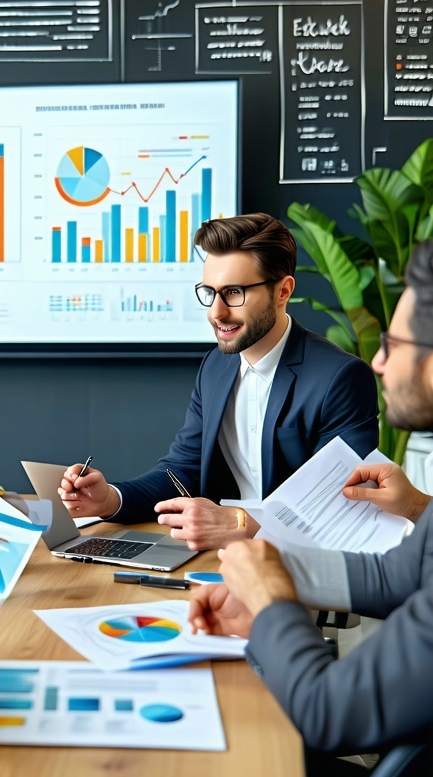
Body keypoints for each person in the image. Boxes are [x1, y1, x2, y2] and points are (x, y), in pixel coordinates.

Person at [188, 238, 433, 777]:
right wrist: (272, 576)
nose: (377, 360)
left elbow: (329, 713)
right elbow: (398, 573)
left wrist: (272, 603)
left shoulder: (333, 373)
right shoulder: (215, 369)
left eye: (394, 342)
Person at [58, 212, 379, 550]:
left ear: (283, 291)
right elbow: (182, 471)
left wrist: (241, 524)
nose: (216, 312)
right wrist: (111, 499)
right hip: (219, 556)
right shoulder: (216, 366)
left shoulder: (340, 378)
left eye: (235, 292)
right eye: (210, 293)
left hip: (295, 566)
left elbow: (341, 506)